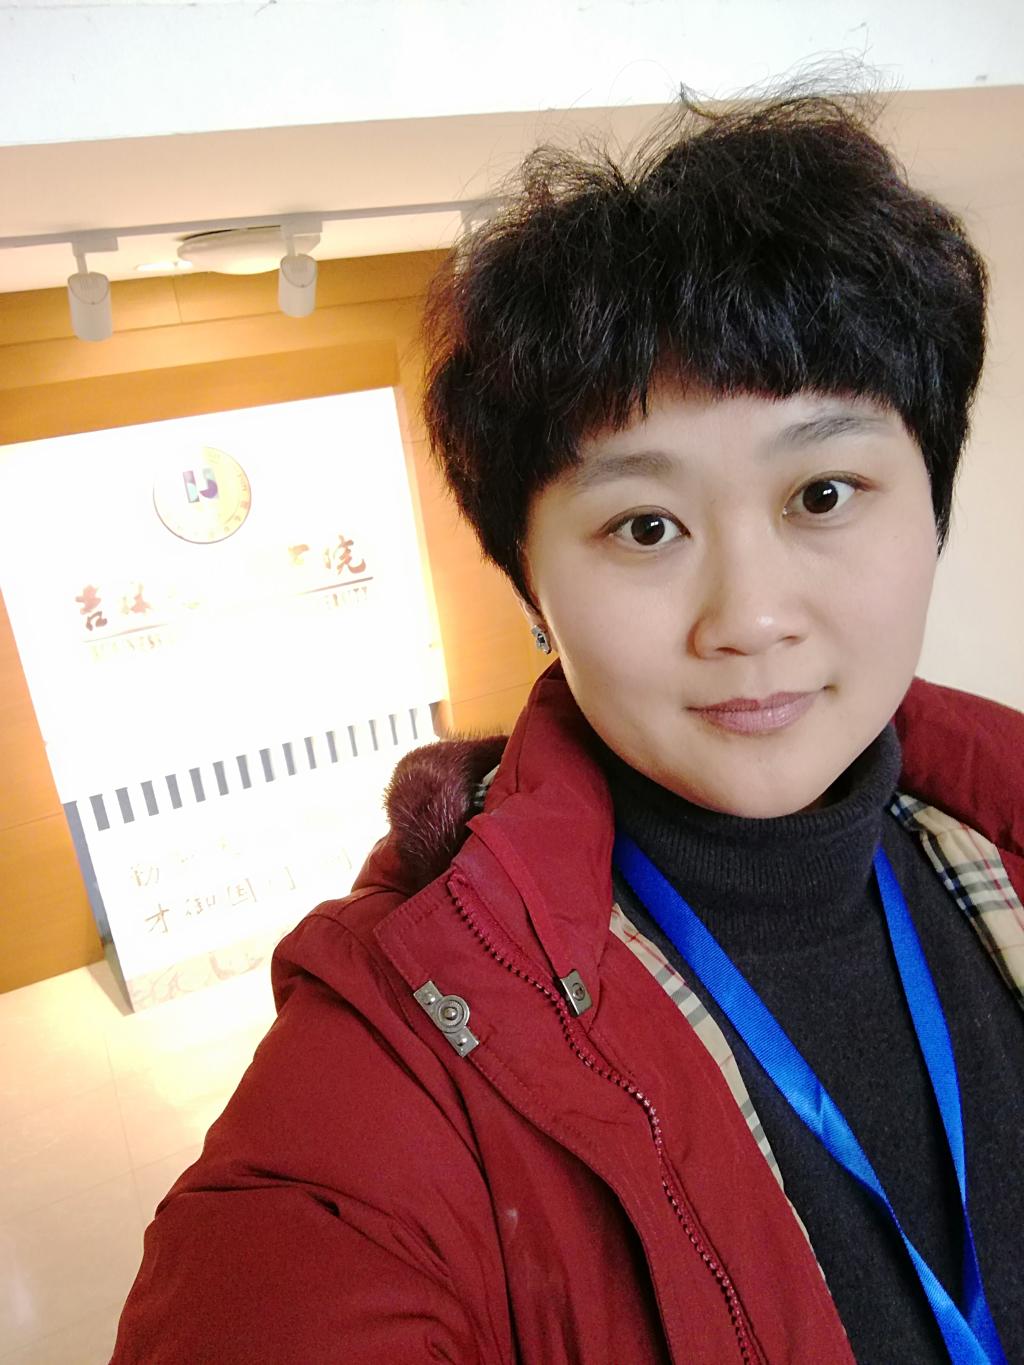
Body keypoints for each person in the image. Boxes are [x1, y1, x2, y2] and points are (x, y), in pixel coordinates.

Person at [111, 89, 1024, 1364]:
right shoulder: (409, 1042)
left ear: (932, 511)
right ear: (530, 587)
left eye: (823, 492)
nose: (751, 618)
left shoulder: (992, 835)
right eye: (645, 526)